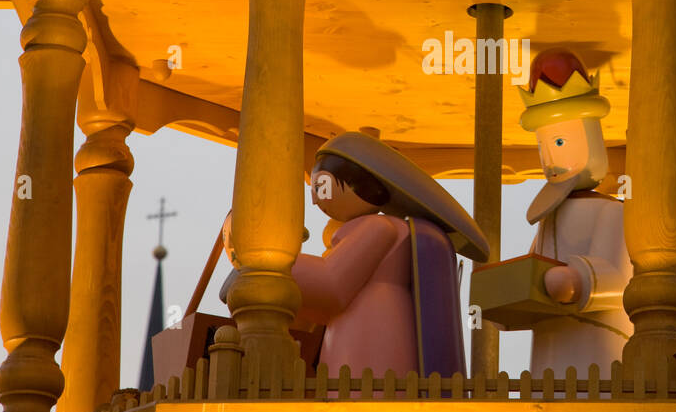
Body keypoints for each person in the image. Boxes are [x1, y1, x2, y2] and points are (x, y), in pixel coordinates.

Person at [227, 132, 487, 377]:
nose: (316, 200)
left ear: (358, 183)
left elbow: (332, 285)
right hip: (350, 335)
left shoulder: (378, 228)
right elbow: (325, 306)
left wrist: (268, 260)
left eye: (322, 186)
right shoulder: (360, 231)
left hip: (374, 334)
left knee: (360, 390)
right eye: (314, 190)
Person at [518, 49, 632, 375]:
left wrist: (575, 279)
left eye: (561, 143)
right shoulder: (548, 217)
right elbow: (532, 269)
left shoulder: (612, 213)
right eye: (545, 147)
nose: (551, 158)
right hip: (549, 352)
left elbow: (617, 277)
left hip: (598, 356)